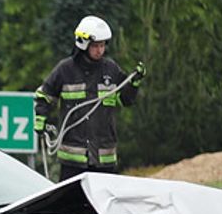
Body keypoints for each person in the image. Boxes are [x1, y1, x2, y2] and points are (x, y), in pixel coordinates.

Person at [34, 15, 143, 180]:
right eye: (95, 46)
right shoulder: (65, 69)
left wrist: (134, 84)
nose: (100, 50)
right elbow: (44, 95)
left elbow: (125, 100)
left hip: (104, 159)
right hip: (73, 161)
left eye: (102, 45)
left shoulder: (111, 69)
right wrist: (40, 118)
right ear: (83, 44)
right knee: (71, 197)